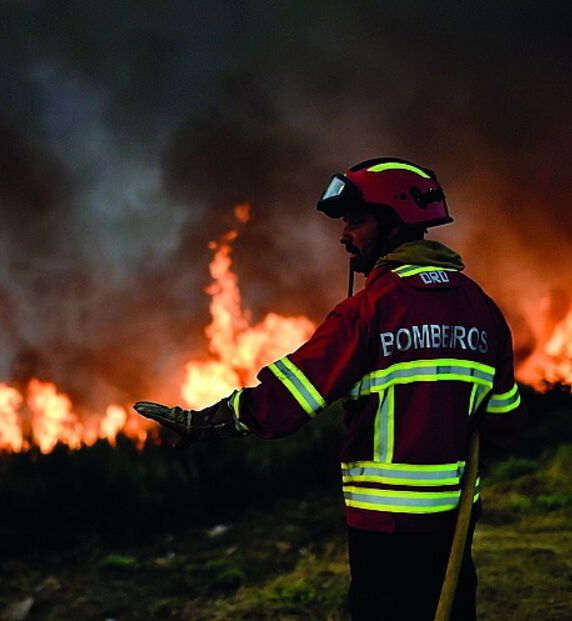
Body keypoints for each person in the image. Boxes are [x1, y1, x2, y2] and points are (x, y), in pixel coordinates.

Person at [134, 157, 527, 621]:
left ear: (396, 222)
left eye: (356, 222)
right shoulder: (481, 309)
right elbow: (505, 427)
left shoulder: (368, 311)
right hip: (454, 528)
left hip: (383, 533)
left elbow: (286, 400)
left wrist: (203, 424)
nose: (345, 235)